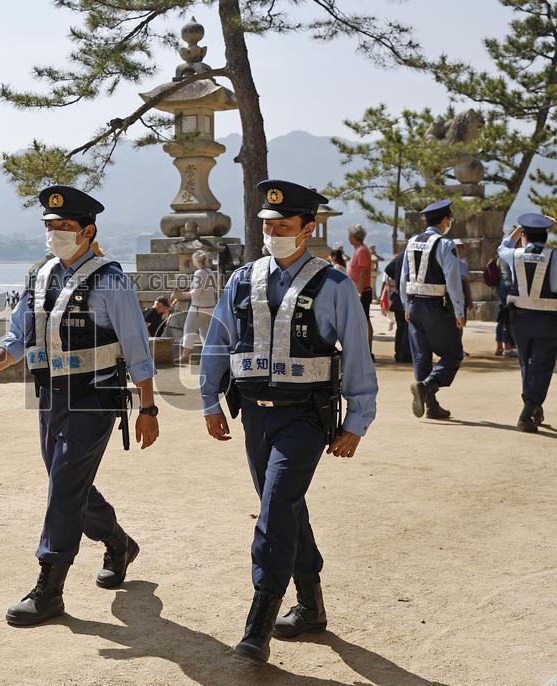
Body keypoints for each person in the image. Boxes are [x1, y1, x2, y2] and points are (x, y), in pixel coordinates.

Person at [199, 180, 377, 665]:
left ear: (308, 229)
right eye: (267, 226)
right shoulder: (241, 280)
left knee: (275, 508)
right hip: (253, 416)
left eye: (283, 226)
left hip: (304, 418)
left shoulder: (335, 285)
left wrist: (356, 423)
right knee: (286, 506)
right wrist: (210, 400)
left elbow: (359, 357)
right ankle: (312, 605)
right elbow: (219, 339)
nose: (273, 233)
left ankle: (258, 622)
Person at [0, 185, 159, 628]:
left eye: (65, 227)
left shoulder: (111, 280)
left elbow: (137, 349)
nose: (55, 234)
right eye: (50, 227)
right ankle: (118, 542)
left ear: (88, 231)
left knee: (64, 485)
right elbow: (20, 335)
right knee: (64, 482)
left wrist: (148, 410)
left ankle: (50, 586)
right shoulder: (40, 274)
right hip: (51, 395)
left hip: (96, 397)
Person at [399, 199, 466, 420]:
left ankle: (432, 406)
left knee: (421, 356)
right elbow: (453, 281)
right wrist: (459, 311)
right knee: (453, 353)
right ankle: (428, 386)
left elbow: (403, 278)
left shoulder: (411, 242)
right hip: (436, 306)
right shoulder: (445, 245)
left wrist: (406, 305)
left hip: (414, 305)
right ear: (445, 220)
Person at [497, 213, 557, 432]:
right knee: (542, 366)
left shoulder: (515, 255)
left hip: (519, 320)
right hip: (547, 320)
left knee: (527, 365)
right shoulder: (554, 255)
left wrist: (516, 230)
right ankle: (527, 411)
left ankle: (533, 406)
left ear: (524, 236)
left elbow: (501, 248)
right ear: (546, 234)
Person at [178, 250, 218, 365]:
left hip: (198, 307)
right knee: (205, 333)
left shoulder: (199, 273)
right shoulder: (210, 272)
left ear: (196, 261)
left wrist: (182, 295)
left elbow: (197, 292)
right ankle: (208, 357)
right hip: (210, 306)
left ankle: (185, 356)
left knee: (189, 330)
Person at [347, 225, 374, 354]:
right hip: (358, 291)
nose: (348, 238)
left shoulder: (362, 250)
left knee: (365, 319)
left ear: (354, 237)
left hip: (362, 291)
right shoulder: (358, 249)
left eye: (349, 235)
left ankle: (368, 349)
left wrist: (359, 291)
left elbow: (363, 272)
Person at [384, 251, 412, 364]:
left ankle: (398, 353)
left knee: (400, 327)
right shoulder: (411, 255)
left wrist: (397, 277)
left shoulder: (400, 256)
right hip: (408, 295)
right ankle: (404, 355)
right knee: (407, 327)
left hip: (398, 296)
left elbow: (388, 268)